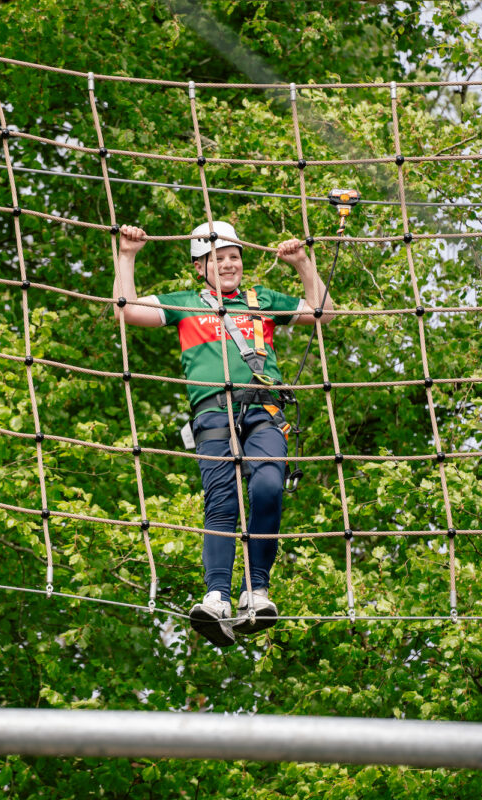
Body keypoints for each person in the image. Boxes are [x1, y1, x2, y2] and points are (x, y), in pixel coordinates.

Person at [112, 220, 333, 647]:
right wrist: (127, 256)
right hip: (213, 414)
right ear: (200, 267)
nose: (228, 264)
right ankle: (217, 596)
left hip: (264, 409)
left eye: (234, 257)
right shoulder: (186, 303)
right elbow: (126, 309)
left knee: (268, 485)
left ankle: (257, 590)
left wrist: (303, 264)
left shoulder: (260, 300)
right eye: (217, 258)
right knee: (222, 503)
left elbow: (322, 311)